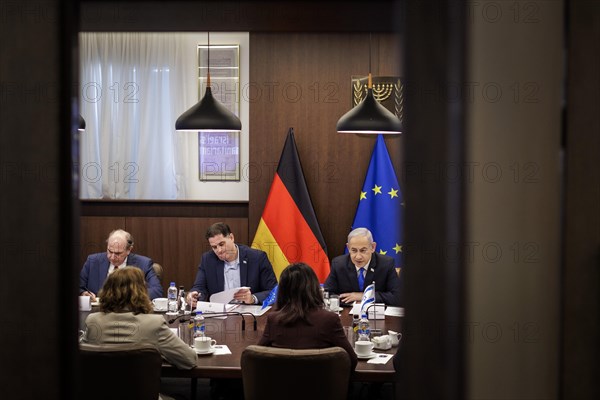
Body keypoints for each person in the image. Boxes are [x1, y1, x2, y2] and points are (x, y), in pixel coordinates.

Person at [81, 267, 197, 400]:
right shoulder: (154, 323)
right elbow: (189, 360)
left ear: (107, 291)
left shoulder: (93, 320)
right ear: (141, 292)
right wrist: (159, 353)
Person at [258, 262, 358, 370]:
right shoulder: (329, 319)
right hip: (323, 385)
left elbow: (256, 358)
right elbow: (351, 360)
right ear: (314, 288)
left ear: (282, 291)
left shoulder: (274, 320)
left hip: (282, 385)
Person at [187, 222, 277, 307]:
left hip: (249, 313)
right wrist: (194, 295)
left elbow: (274, 291)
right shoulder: (207, 259)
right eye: (214, 247)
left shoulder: (257, 258)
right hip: (220, 313)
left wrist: (253, 298)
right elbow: (199, 287)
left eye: (222, 244)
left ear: (231, 237)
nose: (219, 250)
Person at [324, 227, 402, 306]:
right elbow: (327, 294)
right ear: (348, 247)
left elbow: (397, 297)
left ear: (373, 247)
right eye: (354, 250)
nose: (358, 257)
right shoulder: (338, 264)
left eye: (363, 250)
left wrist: (364, 296)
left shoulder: (386, 264)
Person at [80, 229, 163, 300]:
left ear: (129, 250)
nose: (112, 257)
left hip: (130, 314)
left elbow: (157, 291)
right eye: (110, 251)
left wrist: (127, 296)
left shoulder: (143, 263)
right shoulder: (92, 261)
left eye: (118, 253)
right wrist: (84, 294)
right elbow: (79, 287)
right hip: (99, 313)